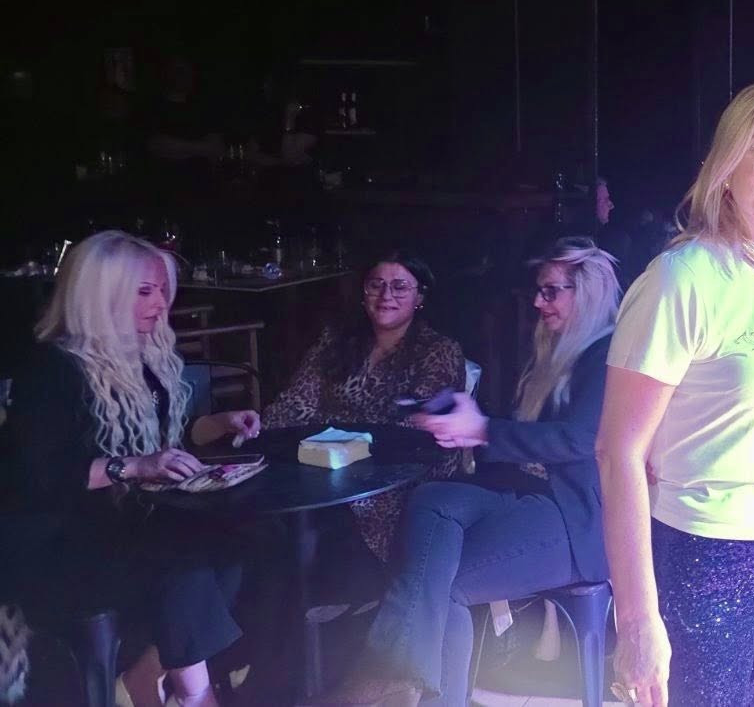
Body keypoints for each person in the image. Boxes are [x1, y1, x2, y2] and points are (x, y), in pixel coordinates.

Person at [598, 79, 754, 707]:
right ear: (727, 165)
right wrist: (637, 620)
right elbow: (618, 453)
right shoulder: (682, 278)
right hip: (704, 558)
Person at [313, 238, 620, 707]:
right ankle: (396, 675)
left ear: (589, 292)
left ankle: (391, 674)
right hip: (528, 495)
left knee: (444, 585)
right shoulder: (556, 353)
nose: (538, 303)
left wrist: (481, 429)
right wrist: (465, 419)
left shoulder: (607, 356)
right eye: (539, 291)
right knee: (432, 497)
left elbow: (579, 440)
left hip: (578, 519)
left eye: (551, 291)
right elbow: (516, 434)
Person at [0, 231, 263, 707]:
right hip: (57, 542)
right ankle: (197, 696)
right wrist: (134, 467)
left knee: (238, 542)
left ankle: (146, 675)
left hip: (128, 523)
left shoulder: (146, 356)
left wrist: (219, 424)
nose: (160, 303)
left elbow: (170, 439)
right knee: (185, 562)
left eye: (162, 290)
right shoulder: (52, 368)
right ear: (100, 295)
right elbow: (37, 478)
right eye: (145, 291)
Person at [263, 250, 465, 560]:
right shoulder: (335, 341)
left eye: (400, 287)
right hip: (321, 464)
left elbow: (416, 429)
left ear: (420, 296)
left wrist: (350, 452)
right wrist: (257, 432)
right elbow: (296, 403)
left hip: (395, 474)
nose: (386, 295)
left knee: (324, 520)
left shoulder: (438, 351)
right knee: (269, 502)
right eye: (376, 285)